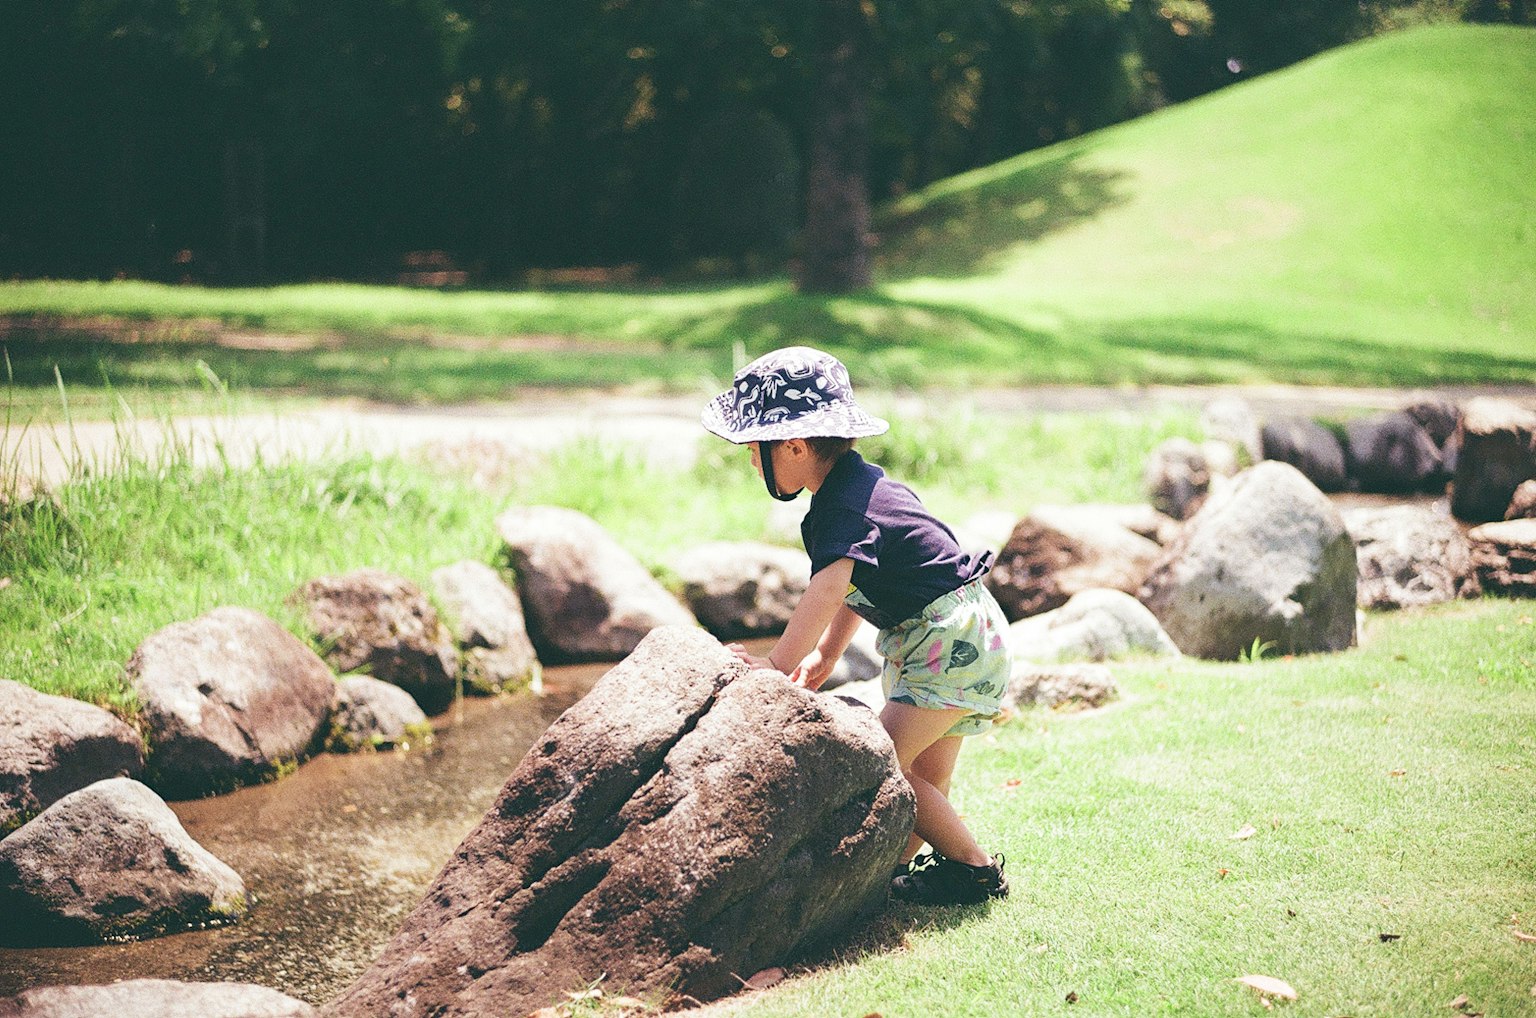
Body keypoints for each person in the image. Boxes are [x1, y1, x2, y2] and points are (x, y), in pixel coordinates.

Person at [701, 345, 1011, 906]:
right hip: (968, 632)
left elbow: (827, 586)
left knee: (884, 762)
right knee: (921, 773)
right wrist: (823, 657)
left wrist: (778, 663)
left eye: (754, 449)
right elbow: (852, 588)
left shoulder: (841, 509)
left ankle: (974, 869)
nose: (751, 462)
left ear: (794, 446)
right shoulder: (860, 487)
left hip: (944, 642)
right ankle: (897, 871)